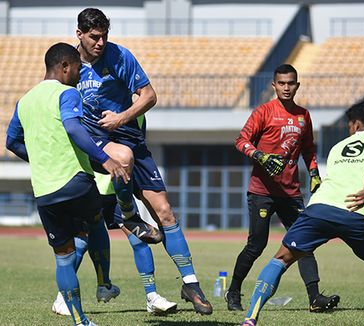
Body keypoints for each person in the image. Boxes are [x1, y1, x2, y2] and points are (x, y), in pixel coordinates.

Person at [240, 100, 364, 326]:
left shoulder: (337, 148)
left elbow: (344, 194)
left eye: (350, 124)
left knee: (281, 259)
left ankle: (250, 318)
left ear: (356, 124)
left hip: (319, 209)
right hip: (356, 217)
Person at [74, 7, 212, 315]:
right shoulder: (69, 65)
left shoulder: (119, 56)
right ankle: (128, 216)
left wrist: (121, 118)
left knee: (164, 211)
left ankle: (190, 283)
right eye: (94, 37)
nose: (100, 42)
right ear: (79, 35)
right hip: (98, 145)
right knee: (88, 223)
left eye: (104, 36)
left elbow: (149, 96)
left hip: (131, 140)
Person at [6, 42, 130, 326]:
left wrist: (38, 159)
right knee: (96, 221)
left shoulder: (24, 101)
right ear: (64, 67)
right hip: (74, 180)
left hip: (45, 192)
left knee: (63, 256)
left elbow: (11, 142)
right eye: (77, 68)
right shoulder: (67, 92)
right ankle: (104, 283)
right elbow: (73, 127)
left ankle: (80, 321)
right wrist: (105, 159)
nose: (79, 73)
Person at [227, 64, 339, 312]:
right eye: (282, 83)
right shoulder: (263, 112)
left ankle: (314, 299)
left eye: (291, 83)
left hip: (291, 194)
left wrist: (314, 174)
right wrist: (261, 156)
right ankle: (233, 291)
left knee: (304, 244)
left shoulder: (303, 116)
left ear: (297, 85)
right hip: (262, 192)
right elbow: (240, 141)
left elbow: (309, 150)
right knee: (257, 245)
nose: (286, 88)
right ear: (274, 85)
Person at [51, 172, 178, 316]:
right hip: (89, 188)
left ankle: (151, 297)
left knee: (138, 239)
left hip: (116, 189)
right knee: (82, 240)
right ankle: (63, 298)